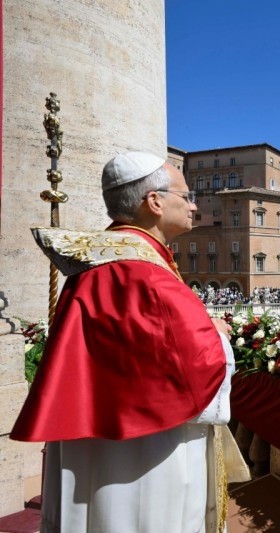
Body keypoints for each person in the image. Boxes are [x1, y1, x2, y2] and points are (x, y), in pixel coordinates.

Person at [11, 152, 237, 532]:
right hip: (146, 449)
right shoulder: (142, 271)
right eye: (186, 196)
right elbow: (192, 360)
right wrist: (217, 332)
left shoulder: (107, 260)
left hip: (100, 430)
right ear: (155, 202)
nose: (194, 205)